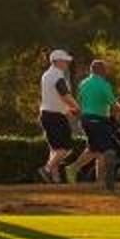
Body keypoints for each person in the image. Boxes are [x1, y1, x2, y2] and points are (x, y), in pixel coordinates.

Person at [36, 49, 80, 183]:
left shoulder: (46, 75)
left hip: (47, 114)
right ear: (56, 61)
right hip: (55, 116)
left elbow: (54, 98)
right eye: (64, 61)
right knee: (65, 148)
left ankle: (55, 180)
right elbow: (64, 95)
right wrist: (77, 107)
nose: (67, 63)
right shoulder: (57, 76)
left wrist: (67, 110)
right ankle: (47, 169)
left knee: (55, 149)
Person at [77, 56, 120, 188]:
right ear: (102, 71)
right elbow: (113, 103)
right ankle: (106, 180)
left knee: (97, 150)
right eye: (106, 69)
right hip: (99, 120)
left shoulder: (83, 83)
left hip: (85, 120)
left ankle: (98, 180)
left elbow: (80, 101)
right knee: (108, 150)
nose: (107, 71)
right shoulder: (104, 84)